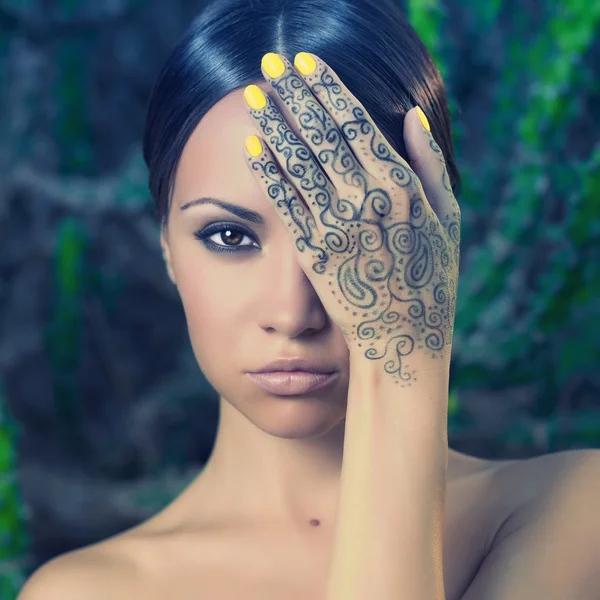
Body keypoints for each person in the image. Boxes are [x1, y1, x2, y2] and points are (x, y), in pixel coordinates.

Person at [18, 0, 600, 598]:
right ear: (167, 243)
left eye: (348, 238)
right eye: (231, 236)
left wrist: (400, 365)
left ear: (434, 237)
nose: (294, 314)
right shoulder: (84, 592)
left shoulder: (575, 513)